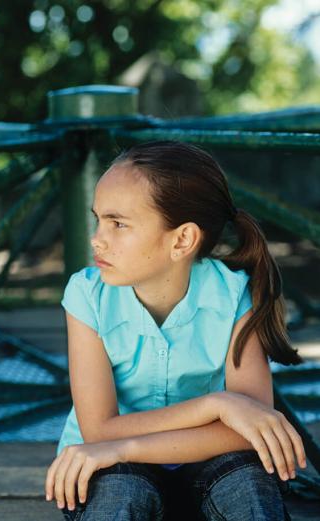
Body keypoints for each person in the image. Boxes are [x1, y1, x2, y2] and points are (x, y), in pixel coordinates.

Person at [44, 141, 306, 520]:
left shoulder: (234, 295)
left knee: (248, 485)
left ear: (182, 239)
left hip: (209, 462)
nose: (97, 238)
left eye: (118, 223)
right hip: (114, 468)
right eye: (98, 219)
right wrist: (216, 405)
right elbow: (99, 430)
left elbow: (254, 427)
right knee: (121, 492)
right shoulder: (87, 295)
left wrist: (122, 446)